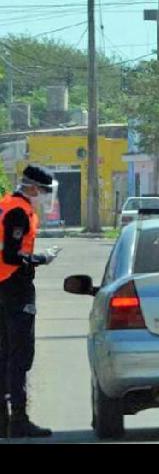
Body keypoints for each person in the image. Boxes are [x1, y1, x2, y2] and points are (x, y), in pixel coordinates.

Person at [0, 165, 61, 438]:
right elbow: (11, 256)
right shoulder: (19, 212)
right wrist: (41, 258)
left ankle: (4, 419)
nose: (46, 198)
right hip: (14, 286)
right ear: (33, 188)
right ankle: (19, 419)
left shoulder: (5, 204)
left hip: (3, 285)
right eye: (45, 192)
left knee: (3, 354)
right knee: (20, 355)